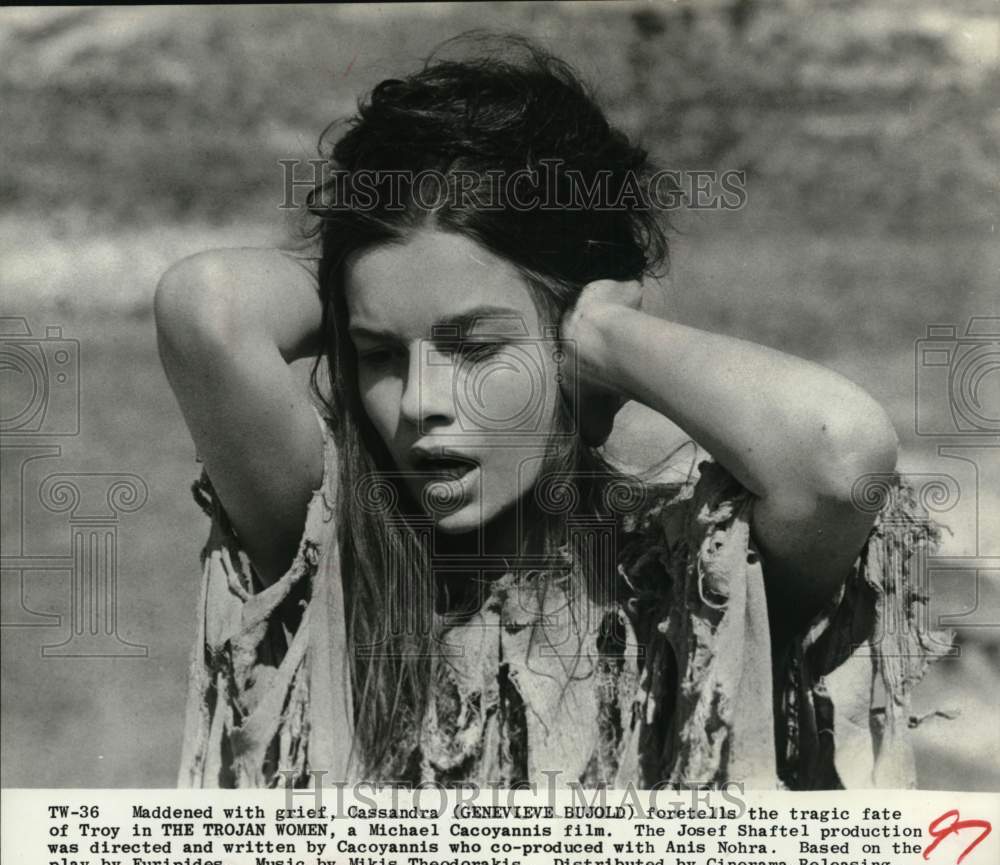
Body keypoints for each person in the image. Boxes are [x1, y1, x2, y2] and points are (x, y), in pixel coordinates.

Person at [156, 37, 947, 790]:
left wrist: (600, 327)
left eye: (474, 351)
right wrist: (376, 248)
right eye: (380, 353)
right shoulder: (331, 537)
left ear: (569, 349)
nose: (423, 403)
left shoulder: (687, 582)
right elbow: (207, 309)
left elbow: (841, 461)